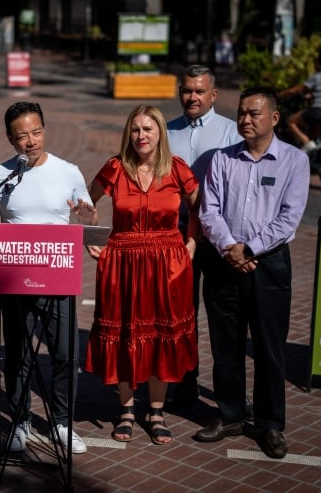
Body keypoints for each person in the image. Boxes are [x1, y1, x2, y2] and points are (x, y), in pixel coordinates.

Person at [194, 87, 309, 459]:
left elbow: (289, 217)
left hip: (268, 263)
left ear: (274, 118)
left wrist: (250, 248)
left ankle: (270, 424)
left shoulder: (293, 161)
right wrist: (230, 248)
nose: (244, 119)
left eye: (253, 113)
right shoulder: (222, 159)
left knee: (268, 347)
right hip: (224, 260)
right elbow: (209, 210)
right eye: (242, 113)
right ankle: (229, 414)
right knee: (225, 343)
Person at [0, 101, 96, 454]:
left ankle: (61, 423)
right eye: (22, 136)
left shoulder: (69, 172)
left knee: (63, 354)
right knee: (17, 355)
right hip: (16, 277)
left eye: (36, 132)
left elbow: (86, 217)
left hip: (58, 276)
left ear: (44, 129)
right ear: (11, 139)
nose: (31, 141)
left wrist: (87, 218)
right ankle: (19, 421)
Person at [84, 105, 200, 446]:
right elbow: (83, 203)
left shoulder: (177, 169)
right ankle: (126, 410)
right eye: (135, 130)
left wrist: (192, 241)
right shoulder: (116, 167)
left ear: (160, 132)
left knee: (160, 337)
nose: (141, 136)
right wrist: (93, 240)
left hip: (168, 262)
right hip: (122, 262)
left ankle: (156, 411)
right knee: (123, 334)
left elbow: (199, 207)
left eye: (148, 129)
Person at [165, 64, 241, 408]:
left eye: (199, 91)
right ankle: (184, 384)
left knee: (224, 317)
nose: (192, 97)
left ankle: (230, 400)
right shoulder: (167, 131)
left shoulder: (232, 132)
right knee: (181, 314)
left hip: (217, 234)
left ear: (213, 95)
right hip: (177, 233)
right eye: (186, 90)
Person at [280, 48, 321, 152]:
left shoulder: (317, 77)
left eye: (315, 61)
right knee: (314, 130)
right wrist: (311, 95)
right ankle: (316, 153)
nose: (314, 63)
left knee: (291, 121)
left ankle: (306, 142)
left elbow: (298, 90)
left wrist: (281, 94)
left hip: (320, 111)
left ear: (320, 64)